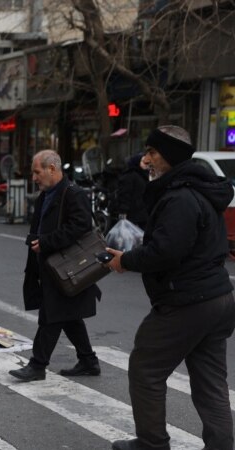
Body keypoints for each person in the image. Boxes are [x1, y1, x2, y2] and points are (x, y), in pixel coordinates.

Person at [105, 126, 235, 450]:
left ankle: (151, 444)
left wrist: (127, 261)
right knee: (210, 381)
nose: (146, 159)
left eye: (152, 152)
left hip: (188, 299)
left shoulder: (180, 196)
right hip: (217, 297)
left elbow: (166, 251)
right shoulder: (200, 189)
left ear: (170, 156)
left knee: (146, 368)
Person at [9, 149, 101, 382]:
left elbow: (80, 226)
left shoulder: (73, 193)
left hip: (66, 266)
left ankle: (37, 365)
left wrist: (47, 242)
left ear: (52, 169)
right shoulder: (47, 193)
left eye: (37, 172)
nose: (34, 177)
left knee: (51, 315)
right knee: (68, 316)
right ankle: (89, 361)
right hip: (50, 265)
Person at [114, 153, 149, 229]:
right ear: (137, 162)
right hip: (133, 215)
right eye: (143, 162)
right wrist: (123, 212)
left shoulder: (143, 175)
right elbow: (124, 195)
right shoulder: (129, 176)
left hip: (143, 214)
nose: (146, 164)